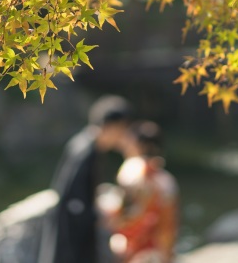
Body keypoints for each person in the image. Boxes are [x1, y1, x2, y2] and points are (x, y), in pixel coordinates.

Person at [38, 95, 134, 263]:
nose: (122, 136)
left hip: (71, 227)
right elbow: (74, 202)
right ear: (112, 126)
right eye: (122, 129)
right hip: (71, 234)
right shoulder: (85, 151)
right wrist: (99, 216)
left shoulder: (85, 144)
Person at [102, 121, 179, 263]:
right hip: (160, 251)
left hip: (136, 250)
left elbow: (122, 215)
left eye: (129, 141)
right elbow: (170, 224)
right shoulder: (167, 180)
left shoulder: (131, 169)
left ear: (140, 145)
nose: (125, 145)